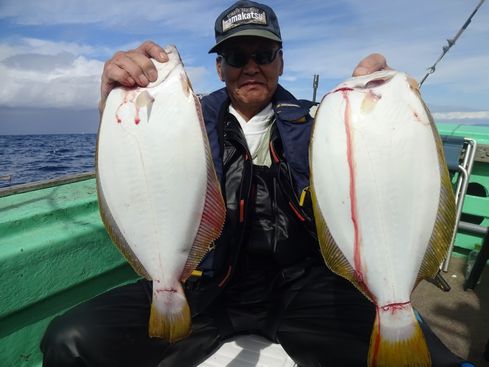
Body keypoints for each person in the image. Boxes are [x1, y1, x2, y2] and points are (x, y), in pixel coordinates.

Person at [41, 1, 469, 366]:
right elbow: (136, 159)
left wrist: (395, 101)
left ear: (281, 61)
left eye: (263, 54)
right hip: (205, 288)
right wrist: (114, 103)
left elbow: (385, 164)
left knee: (432, 357)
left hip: (301, 287)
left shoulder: (323, 121)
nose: (250, 67)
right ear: (218, 66)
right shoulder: (179, 116)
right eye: (235, 56)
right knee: (70, 341)